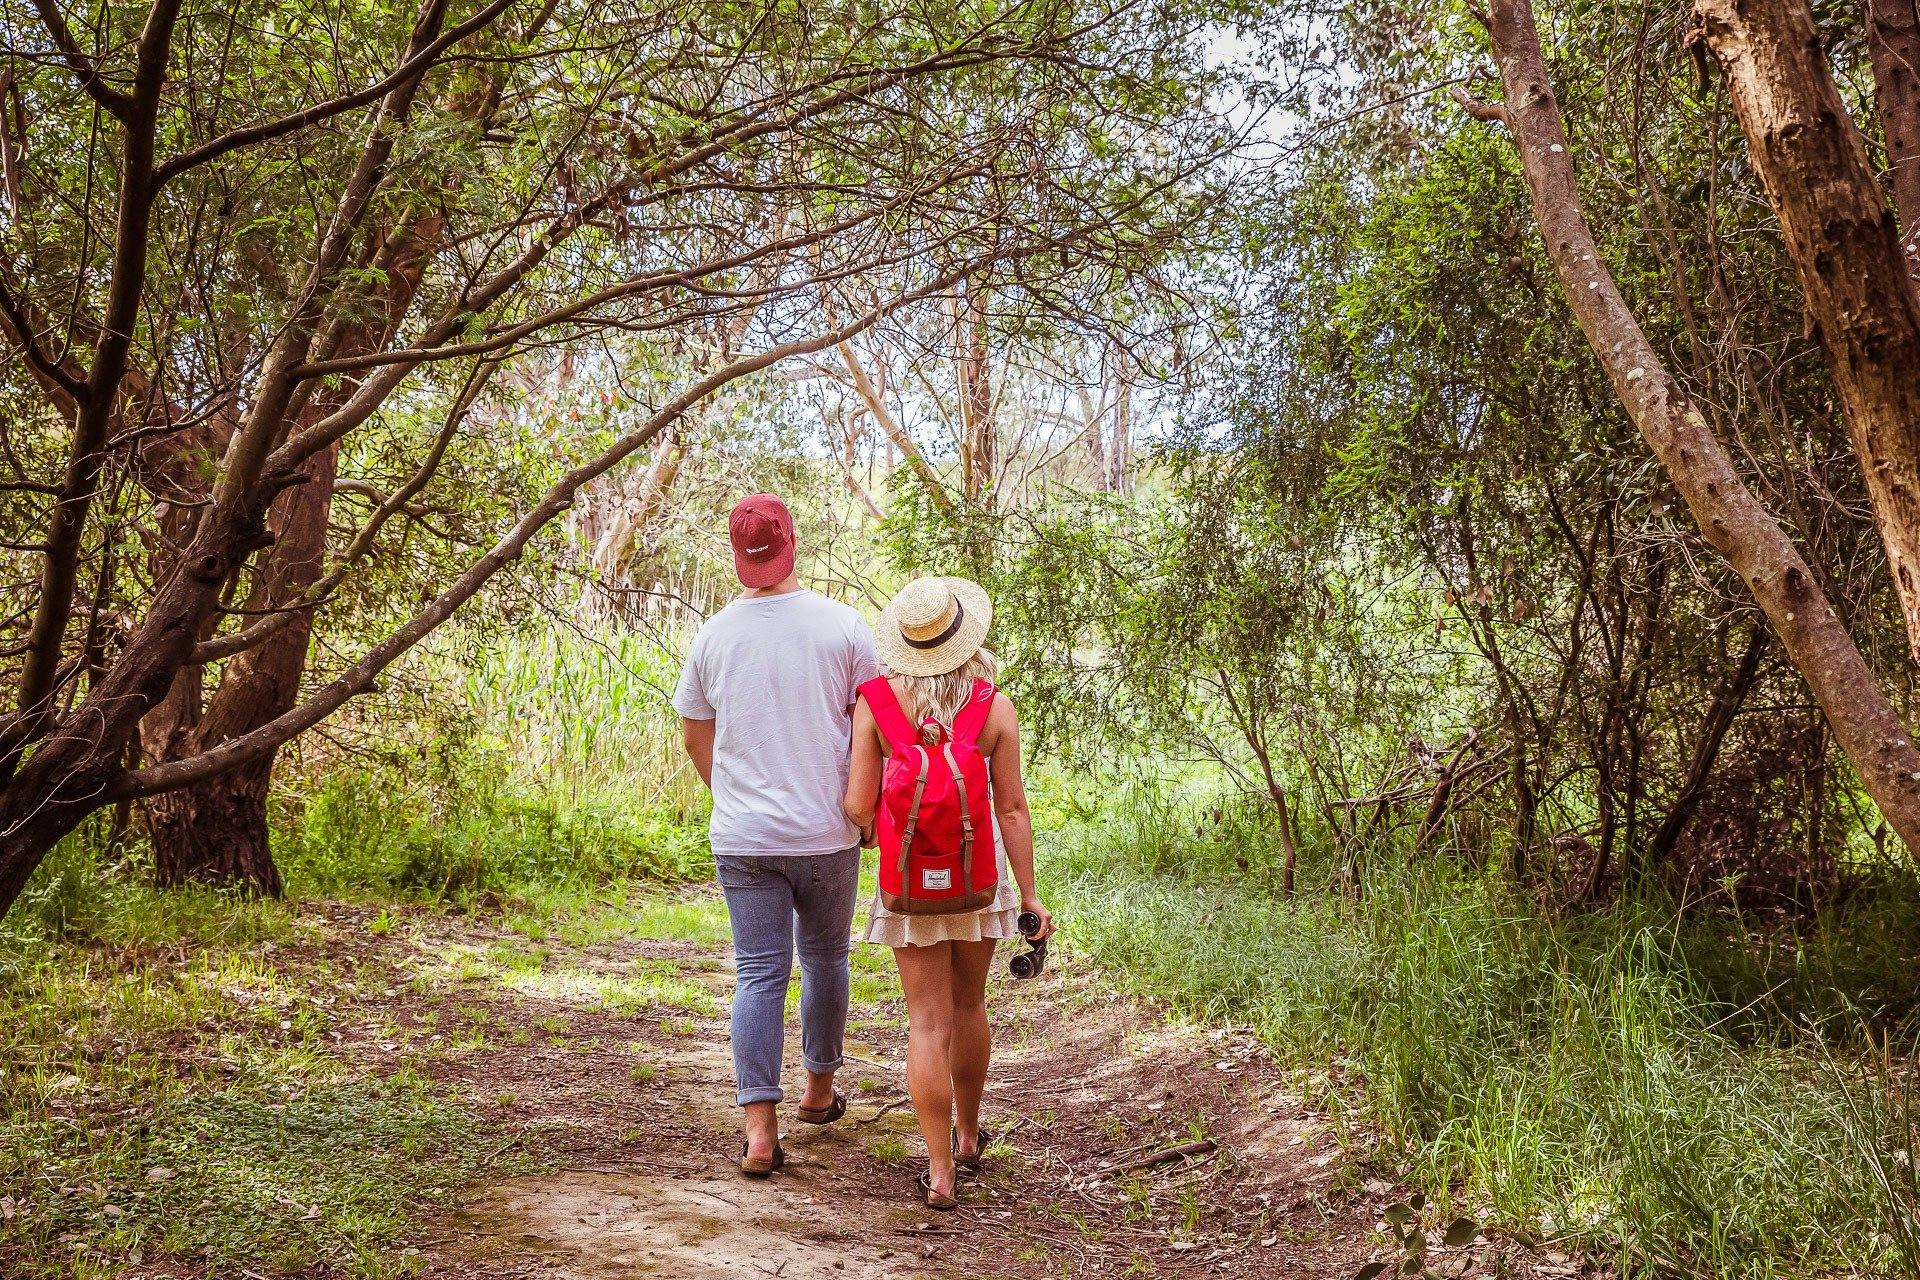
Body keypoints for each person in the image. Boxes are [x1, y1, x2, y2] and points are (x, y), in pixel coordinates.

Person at [674, 493, 880, 1177]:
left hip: (744, 837)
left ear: (738, 556)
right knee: (825, 960)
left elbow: (695, 732)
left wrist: (729, 793)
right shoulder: (844, 627)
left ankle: (760, 1132)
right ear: (793, 541)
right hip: (826, 833)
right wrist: (862, 805)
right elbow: (871, 728)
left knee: (759, 973)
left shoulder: (712, 637)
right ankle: (818, 1093)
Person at [843, 575, 1055, 1210]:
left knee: (926, 1020)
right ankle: (967, 1135)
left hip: (910, 886)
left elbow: (858, 804)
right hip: (978, 878)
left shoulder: (875, 703)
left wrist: (891, 828)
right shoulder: (993, 707)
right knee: (969, 1006)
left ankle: (939, 1172)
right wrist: (1030, 896)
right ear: (965, 639)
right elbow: (1012, 809)